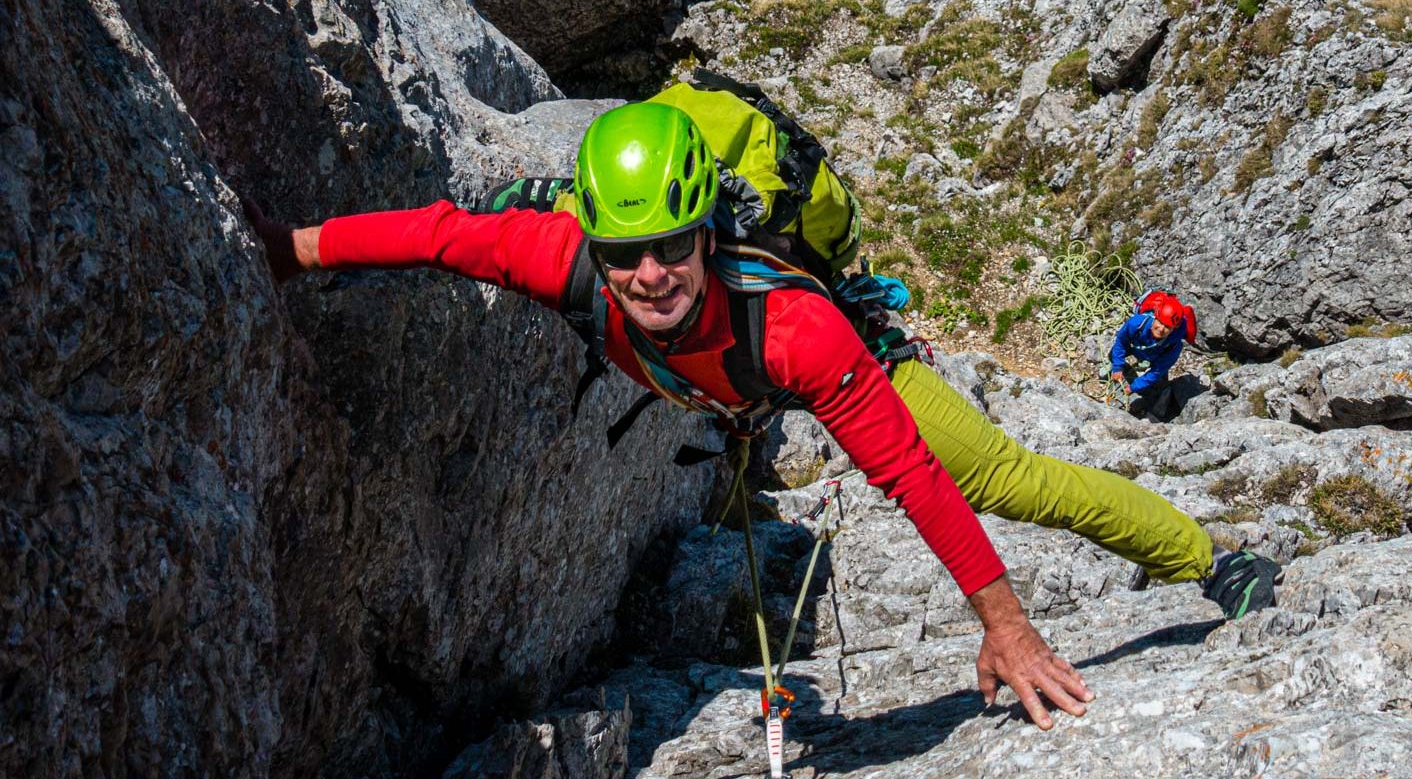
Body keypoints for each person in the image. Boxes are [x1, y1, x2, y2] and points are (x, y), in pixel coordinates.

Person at [246, 102, 1280, 731]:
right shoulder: (565, 258)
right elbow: (435, 236)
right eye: (625, 252)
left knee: (1002, 476)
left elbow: (910, 479)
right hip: (729, 395)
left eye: (671, 245)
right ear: (594, 242)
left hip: (829, 369)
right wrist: (286, 249)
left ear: (705, 230)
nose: (647, 274)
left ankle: (1209, 558)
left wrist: (1005, 628)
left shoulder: (798, 331)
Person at [1108, 295, 1193, 420]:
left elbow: (1156, 372)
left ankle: (1158, 409)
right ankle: (1126, 373)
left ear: (1174, 329)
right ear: (1155, 317)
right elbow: (1121, 342)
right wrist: (1117, 367)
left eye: (1168, 327)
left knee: (1156, 388)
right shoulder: (1136, 323)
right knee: (1113, 355)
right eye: (1160, 322)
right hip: (1136, 347)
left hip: (1155, 357)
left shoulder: (1173, 346)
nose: (1161, 329)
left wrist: (1132, 387)